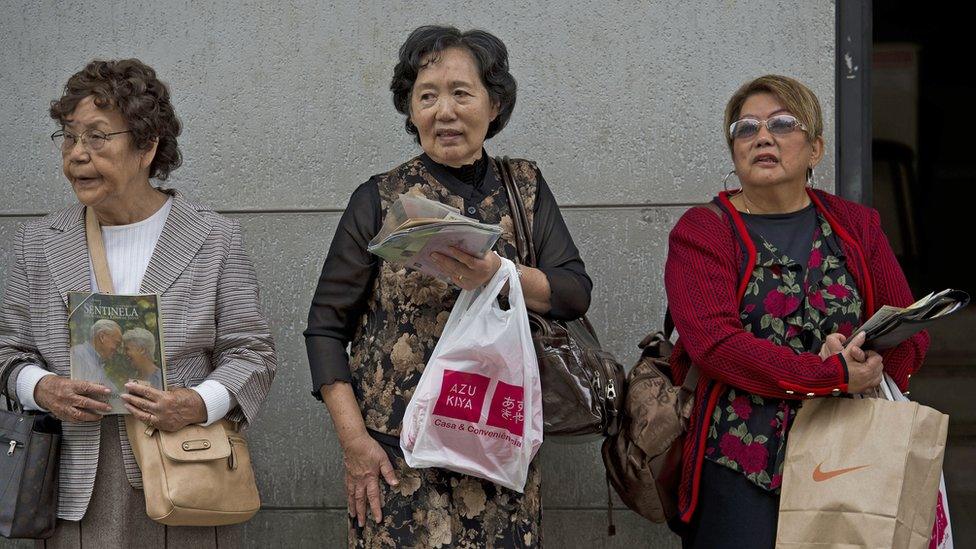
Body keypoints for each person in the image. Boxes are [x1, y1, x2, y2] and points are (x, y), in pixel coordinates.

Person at [304, 25, 592, 548]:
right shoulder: (378, 198)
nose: (445, 111)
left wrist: (499, 274)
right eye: (427, 96)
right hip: (397, 461)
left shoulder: (524, 188)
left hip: (497, 449)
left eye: (461, 93)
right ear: (411, 111)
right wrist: (354, 442)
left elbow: (573, 293)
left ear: (494, 103)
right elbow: (325, 329)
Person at [0, 58, 276, 547]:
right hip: (67, 488)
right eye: (69, 136)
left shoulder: (213, 238)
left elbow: (251, 353)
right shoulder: (37, 243)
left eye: (97, 137)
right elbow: (6, 350)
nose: (77, 155)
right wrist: (41, 388)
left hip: (186, 476)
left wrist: (195, 403)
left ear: (147, 146)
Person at [663, 74, 929, 548]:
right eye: (745, 129)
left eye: (782, 123)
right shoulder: (703, 231)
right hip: (739, 460)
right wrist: (829, 374)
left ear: (815, 149)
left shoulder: (856, 225)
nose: (762, 136)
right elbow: (715, 345)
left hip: (850, 453)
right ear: (734, 153)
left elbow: (909, 331)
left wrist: (863, 358)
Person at [70, 319, 123, 389]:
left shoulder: (98, 361)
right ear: (102, 337)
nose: (117, 350)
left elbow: (111, 391)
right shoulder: (77, 354)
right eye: (117, 343)